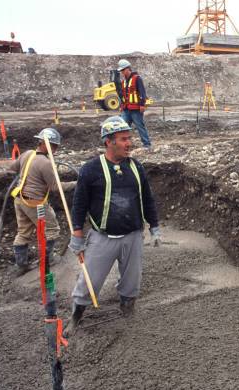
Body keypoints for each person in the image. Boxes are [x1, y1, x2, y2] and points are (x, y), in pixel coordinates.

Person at [64, 116, 161, 337]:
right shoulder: (91, 169)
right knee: (90, 280)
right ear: (109, 141)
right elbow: (79, 204)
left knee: (132, 279)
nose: (129, 143)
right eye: (123, 139)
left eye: (130, 138)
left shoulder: (136, 167)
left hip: (133, 235)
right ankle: (76, 317)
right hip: (103, 238)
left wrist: (154, 226)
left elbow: (147, 199)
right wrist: (77, 236)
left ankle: (128, 309)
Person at [8, 128, 75, 275]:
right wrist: (77, 183)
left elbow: (12, 168)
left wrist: (28, 173)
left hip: (19, 200)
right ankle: (48, 259)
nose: (56, 149)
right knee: (52, 229)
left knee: (23, 232)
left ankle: (21, 265)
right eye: (54, 146)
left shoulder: (27, 154)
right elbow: (56, 187)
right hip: (34, 203)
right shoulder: (45, 163)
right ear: (46, 144)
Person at [115, 58, 152, 149]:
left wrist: (142, 104)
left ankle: (147, 144)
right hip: (126, 108)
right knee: (122, 126)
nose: (122, 72)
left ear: (128, 68)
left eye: (123, 70)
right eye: (121, 71)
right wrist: (121, 105)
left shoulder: (137, 79)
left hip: (136, 109)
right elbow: (124, 95)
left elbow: (142, 92)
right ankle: (122, 144)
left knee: (140, 126)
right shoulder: (124, 82)